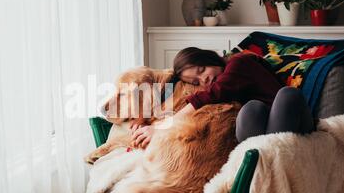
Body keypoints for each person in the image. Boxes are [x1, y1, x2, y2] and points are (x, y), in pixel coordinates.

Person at [131, 47, 315, 148]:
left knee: (287, 95)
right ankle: (259, 164)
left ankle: (273, 157)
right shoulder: (228, 95)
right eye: (196, 82)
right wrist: (143, 119)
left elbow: (212, 93)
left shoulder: (238, 62)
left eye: (202, 70)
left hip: (295, 121)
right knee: (250, 109)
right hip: (265, 128)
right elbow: (168, 90)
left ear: (210, 58)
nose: (204, 79)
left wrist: (162, 129)